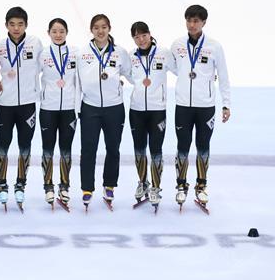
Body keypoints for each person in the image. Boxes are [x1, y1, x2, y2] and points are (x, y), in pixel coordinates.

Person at [170, 5, 231, 208]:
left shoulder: (214, 46)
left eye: (196, 21)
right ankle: (181, 184)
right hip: (183, 106)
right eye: (189, 20)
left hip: (205, 106)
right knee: (182, 146)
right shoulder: (177, 45)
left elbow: (223, 76)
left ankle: (201, 185)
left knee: (203, 146)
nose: (192, 24)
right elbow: (171, 67)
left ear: (204, 22)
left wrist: (226, 104)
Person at [0, 6, 42, 210]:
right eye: (12, 24)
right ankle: (1, 184)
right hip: (6, 105)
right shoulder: (0, 45)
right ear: (6, 26)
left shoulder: (35, 43)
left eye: (20, 24)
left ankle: (21, 183)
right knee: (2, 144)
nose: (16, 28)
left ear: (26, 25)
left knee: (25, 145)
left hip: (28, 104)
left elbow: (46, 66)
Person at [76, 14, 131, 209]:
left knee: (113, 148)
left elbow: (132, 75)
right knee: (88, 150)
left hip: (114, 108)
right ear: (91, 30)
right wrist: (77, 109)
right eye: (96, 27)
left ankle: (109, 185)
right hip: (89, 107)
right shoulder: (82, 53)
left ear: (109, 28)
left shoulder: (120, 52)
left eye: (104, 27)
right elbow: (77, 83)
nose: (100, 31)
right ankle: (87, 188)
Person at [128, 21, 176, 210]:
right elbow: (124, 73)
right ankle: (143, 182)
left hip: (157, 110)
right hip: (136, 110)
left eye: (144, 35)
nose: (141, 40)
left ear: (150, 34)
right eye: (137, 37)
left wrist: (208, 75)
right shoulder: (130, 56)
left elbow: (180, 70)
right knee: (139, 148)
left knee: (156, 148)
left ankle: (156, 186)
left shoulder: (163, 53)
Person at [36, 18, 79, 208]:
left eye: (61, 31)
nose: (58, 34)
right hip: (48, 108)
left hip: (69, 109)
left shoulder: (75, 54)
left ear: (67, 32)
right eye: (54, 31)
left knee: (66, 148)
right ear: (49, 33)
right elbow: (28, 74)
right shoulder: (43, 54)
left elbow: (84, 77)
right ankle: (48, 186)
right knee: (47, 148)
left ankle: (64, 186)